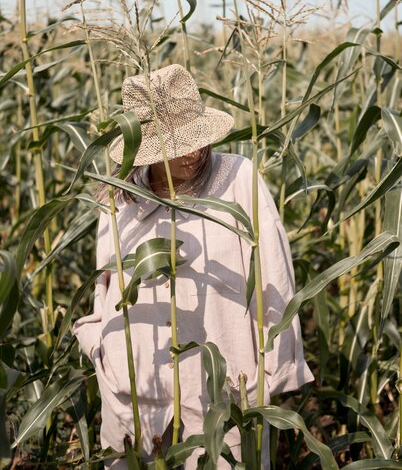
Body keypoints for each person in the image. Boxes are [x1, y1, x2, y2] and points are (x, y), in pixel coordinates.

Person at [73, 64, 314, 469]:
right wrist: (100, 351)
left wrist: (277, 370)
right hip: (137, 394)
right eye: (175, 145)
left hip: (224, 395)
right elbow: (106, 286)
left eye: (196, 139)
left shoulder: (239, 179)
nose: (193, 152)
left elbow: (275, 277)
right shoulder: (121, 198)